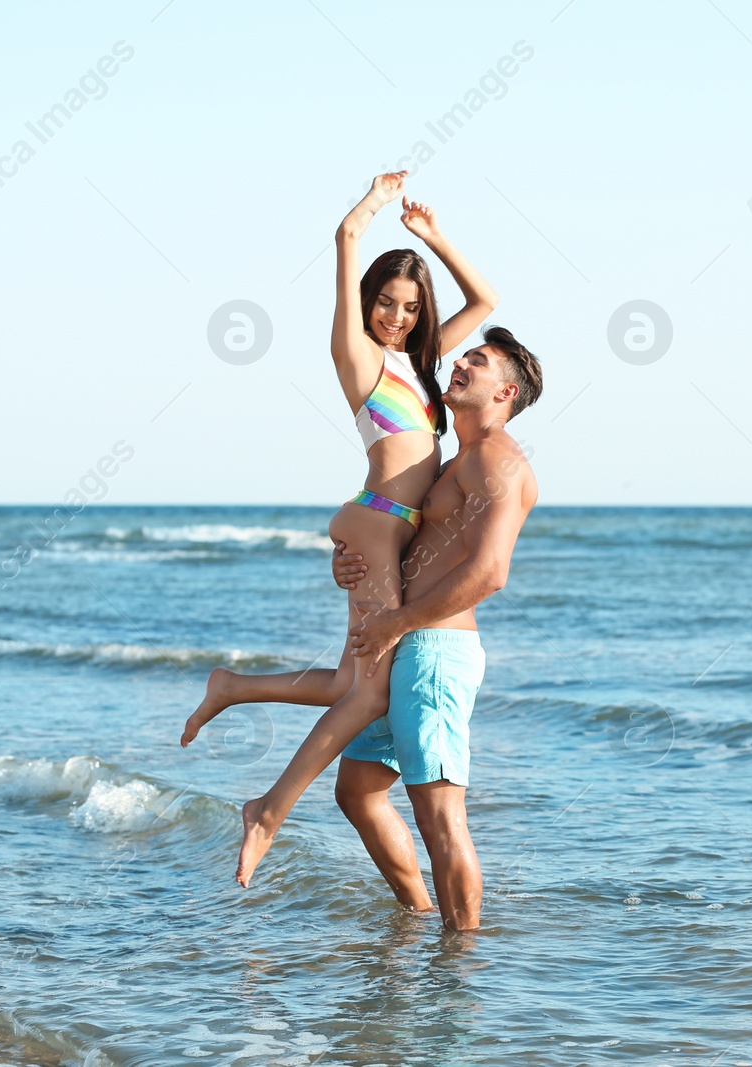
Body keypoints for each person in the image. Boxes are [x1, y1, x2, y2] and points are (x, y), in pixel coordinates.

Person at [179, 171, 498, 886]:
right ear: (367, 303)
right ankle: (267, 809)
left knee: (354, 679)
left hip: (384, 529)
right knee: (371, 692)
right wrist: (376, 204)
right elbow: (347, 237)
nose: (396, 317)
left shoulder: (421, 367)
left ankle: (232, 686)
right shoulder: (359, 357)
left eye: (410, 308)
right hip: (379, 523)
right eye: (386, 302)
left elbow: (487, 300)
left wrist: (434, 238)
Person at [327, 327, 542, 930]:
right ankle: (420, 918)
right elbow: (395, 532)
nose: (461, 364)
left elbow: (490, 571)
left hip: (435, 653)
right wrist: (346, 559)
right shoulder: (455, 462)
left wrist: (399, 620)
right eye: (464, 355)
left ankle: (462, 957)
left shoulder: (501, 460)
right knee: (359, 791)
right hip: (406, 646)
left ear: (506, 391)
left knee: (440, 816)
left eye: (478, 361)